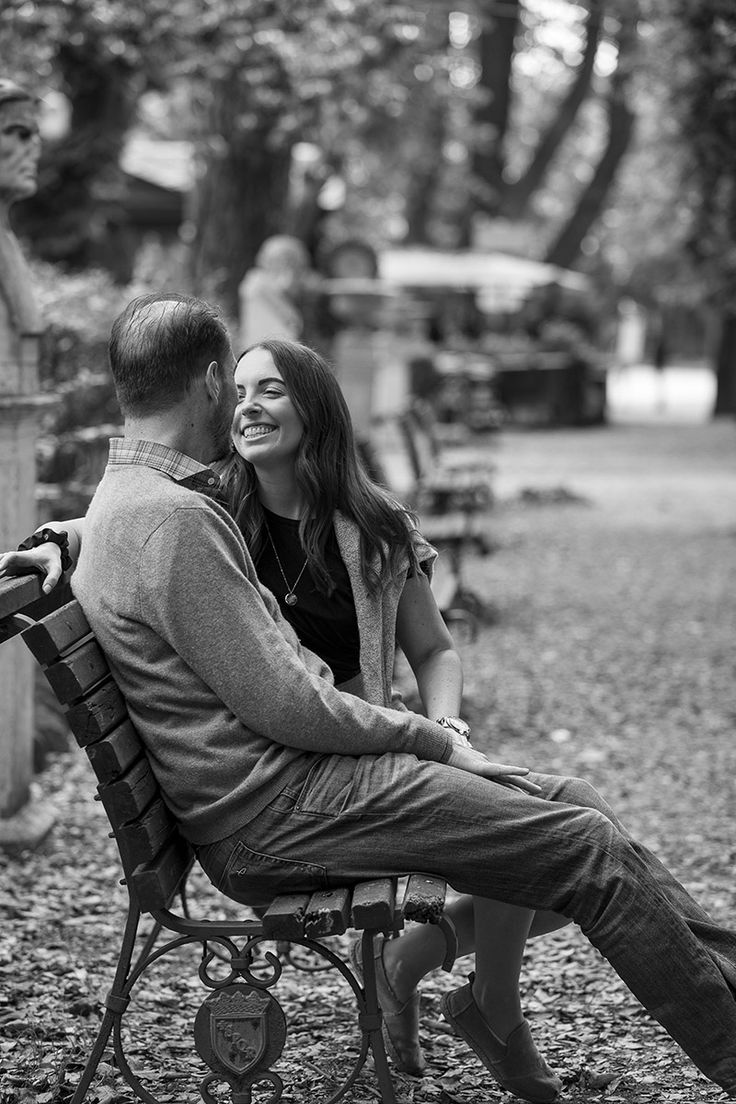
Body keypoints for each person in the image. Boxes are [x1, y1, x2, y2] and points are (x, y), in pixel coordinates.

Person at [6, 293, 736, 1104]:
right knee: (586, 847)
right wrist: (429, 739)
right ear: (212, 383)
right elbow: (292, 706)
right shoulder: (176, 519)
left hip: (284, 791)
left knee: (576, 811)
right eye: (238, 387)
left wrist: (57, 537)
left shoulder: (133, 501)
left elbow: (408, 653)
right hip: (278, 808)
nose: (247, 404)